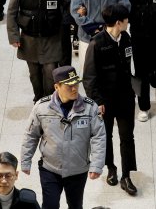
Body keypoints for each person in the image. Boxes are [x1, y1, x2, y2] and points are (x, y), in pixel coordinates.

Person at [19, 66, 106, 209]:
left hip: (78, 170)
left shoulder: (90, 108)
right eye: (69, 85)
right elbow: (31, 135)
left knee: (75, 206)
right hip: (50, 169)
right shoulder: (42, 107)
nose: (74, 88)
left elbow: (99, 136)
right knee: (50, 206)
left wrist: (97, 165)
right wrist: (25, 161)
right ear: (57, 87)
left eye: (76, 84)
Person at [83, 4, 138, 195]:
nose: (128, 22)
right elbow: (89, 77)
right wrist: (97, 102)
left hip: (125, 98)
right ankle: (111, 168)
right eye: (126, 19)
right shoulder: (96, 43)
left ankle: (127, 175)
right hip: (105, 101)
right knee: (106, 136)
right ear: (118, 22)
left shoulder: (126, 39)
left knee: (127, 136)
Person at [7, 0, 71, 101]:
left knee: (50, 73)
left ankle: (48, 101)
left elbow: (69, 4)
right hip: (29, 39)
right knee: (34, 75)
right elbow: (11, 12)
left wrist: (64, 22)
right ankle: (38, 98)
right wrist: (13, 36)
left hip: (52, 38)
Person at [70, 0, 130, 72]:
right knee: (88, 71)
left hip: (113, 36)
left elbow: (125, 8)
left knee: (112, 72)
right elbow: (75, 10)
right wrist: (93, 29)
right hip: (87, 38)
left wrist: (109, 26)